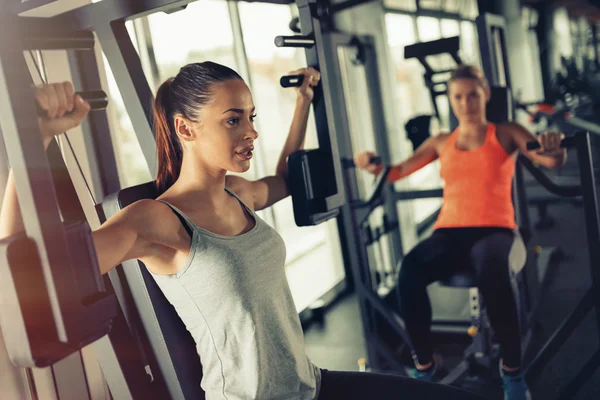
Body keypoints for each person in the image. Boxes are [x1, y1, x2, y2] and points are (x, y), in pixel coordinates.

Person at [0, 61, 485, 400]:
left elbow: (284, 180)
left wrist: (302, 104)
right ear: (185, 129)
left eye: (251, 117)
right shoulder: (155, 220)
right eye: (233, 120)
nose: (251, 131)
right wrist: (35, 138)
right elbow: (28, 282)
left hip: (313, 387)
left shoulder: (237, 193)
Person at [354, 65, 566, 400]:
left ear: (485, 94)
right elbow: (396, 172)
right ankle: (423, 366)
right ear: (450, 100)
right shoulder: (440, 141)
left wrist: (554, 148)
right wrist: (371, 165)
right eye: (458, 96)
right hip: (449, 231)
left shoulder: (507, 131)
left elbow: (547, 157)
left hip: (495, 229)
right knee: (409, 271)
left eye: (472, 95)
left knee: (492, 269)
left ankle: (512, 372)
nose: (465, 103)